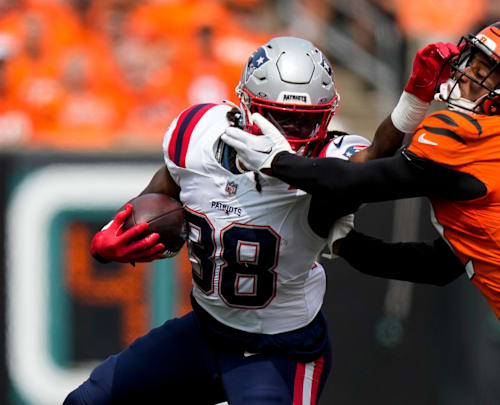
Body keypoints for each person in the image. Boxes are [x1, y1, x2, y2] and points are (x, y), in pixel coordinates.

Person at [222, 19, 500, 404]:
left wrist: (278, 161)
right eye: (473, 59)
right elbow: (437, 266)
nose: (468, 73)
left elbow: (360, 179)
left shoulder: (470, 134)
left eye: (487, 71)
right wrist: (348, 245)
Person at [64, 36, 369, 405]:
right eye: (278, 117)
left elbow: (370, 169)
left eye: (303, 123)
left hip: (280, 352)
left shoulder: (329, 165)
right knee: (86, 401)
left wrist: (409, 109)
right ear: (247, 107)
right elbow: (165, 187)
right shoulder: (199, 136)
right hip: (205, 332)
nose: (287, 136)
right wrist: (116, 233)